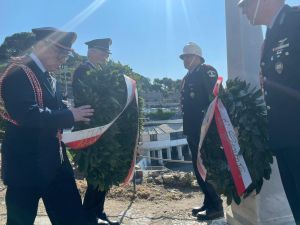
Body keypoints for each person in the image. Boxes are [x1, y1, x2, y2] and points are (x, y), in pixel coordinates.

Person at [0, 27, 94, 225]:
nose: (63, 59)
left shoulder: (52, 78)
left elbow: (58, 112)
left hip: (55, 164)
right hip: (25, 168)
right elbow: (27, 115)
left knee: (73, 218)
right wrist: (70, 115)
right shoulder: (18, 71)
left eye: (66, 55)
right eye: (59, 53)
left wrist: (79, 117)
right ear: (41, 46)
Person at [238, 0, 300, 223]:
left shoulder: (295, 20)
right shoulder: (273, 33)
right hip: (285, 139)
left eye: (246, 4)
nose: (243, 10)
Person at [73, 38, 119, 225]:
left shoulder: (99, 71)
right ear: (91, 52)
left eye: (107, 54)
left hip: (103, 127)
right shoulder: (83, 71)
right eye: (103, 53)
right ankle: (89, 215)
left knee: (104, 172)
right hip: (90, 127)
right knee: (95, 173)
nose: (106, 57)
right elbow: (88, 99)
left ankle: (98, 212)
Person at [180, 42, 224, 221]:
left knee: (206, 167)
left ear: (198, 57)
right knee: (198, 169)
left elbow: (215, 100)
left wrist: (211, 129)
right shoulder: (188, 76)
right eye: (184, 57)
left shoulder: (207, 72)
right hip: (192, 128)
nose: (185, 59)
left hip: (205, 130)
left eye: (189, 56)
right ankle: (208, 201)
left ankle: (216, 207)